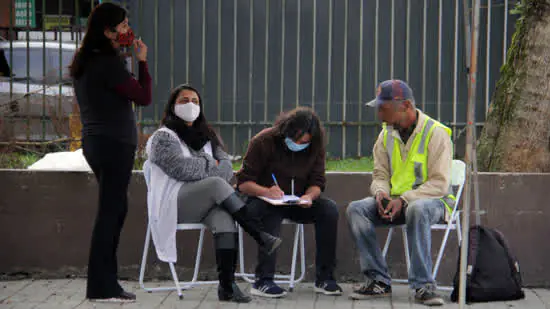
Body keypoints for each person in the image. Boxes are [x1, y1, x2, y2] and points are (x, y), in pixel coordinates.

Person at [145, 84, 282, 303]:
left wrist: (205, 164)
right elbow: (181, 170)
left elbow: (227, 169)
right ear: (172, 106)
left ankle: (227, 287)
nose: (190, 105)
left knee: (225, 218)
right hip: (173, 203)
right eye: (184, 100)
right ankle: (259, 234)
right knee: (215, 184)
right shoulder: (163, 137)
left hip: (204, 200)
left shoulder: (207, 135)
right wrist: (211, 162)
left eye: (195, 101)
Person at [346, 80, 455, 306]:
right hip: (396, 202)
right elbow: (380, 175)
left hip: (434, 203)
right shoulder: (385, 135)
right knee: (356, 209)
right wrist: (381, 194)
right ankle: (378, 280)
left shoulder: (436, 134)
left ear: (405, 106)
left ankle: (424, 286)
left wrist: (404, 199)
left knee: (417, 208)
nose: (378, 113)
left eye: (383, 107)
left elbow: (440, 183)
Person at [70, 3, 152, 303]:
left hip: (96, 141)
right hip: (114, 143)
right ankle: (101, 286)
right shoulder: (108, 62)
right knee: (110, 213)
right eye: (123, 25)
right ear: (107, 31)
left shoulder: (86, 59)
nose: (127, 30)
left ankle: (106, 283)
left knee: (116, 210)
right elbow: (143, 96)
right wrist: (142, 62)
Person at [236, 107, 343, 298]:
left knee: (329, 210)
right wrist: (266, 191)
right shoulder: (263, 141)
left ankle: (325, 278)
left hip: (296, 202)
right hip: (261, 201)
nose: (297, 144)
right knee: (271, 214)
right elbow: (243, 183)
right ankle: (263, 280)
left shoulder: (315, 147)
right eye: (294, 139)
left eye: (303, 141)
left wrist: (309, 196)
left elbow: (317, 182)